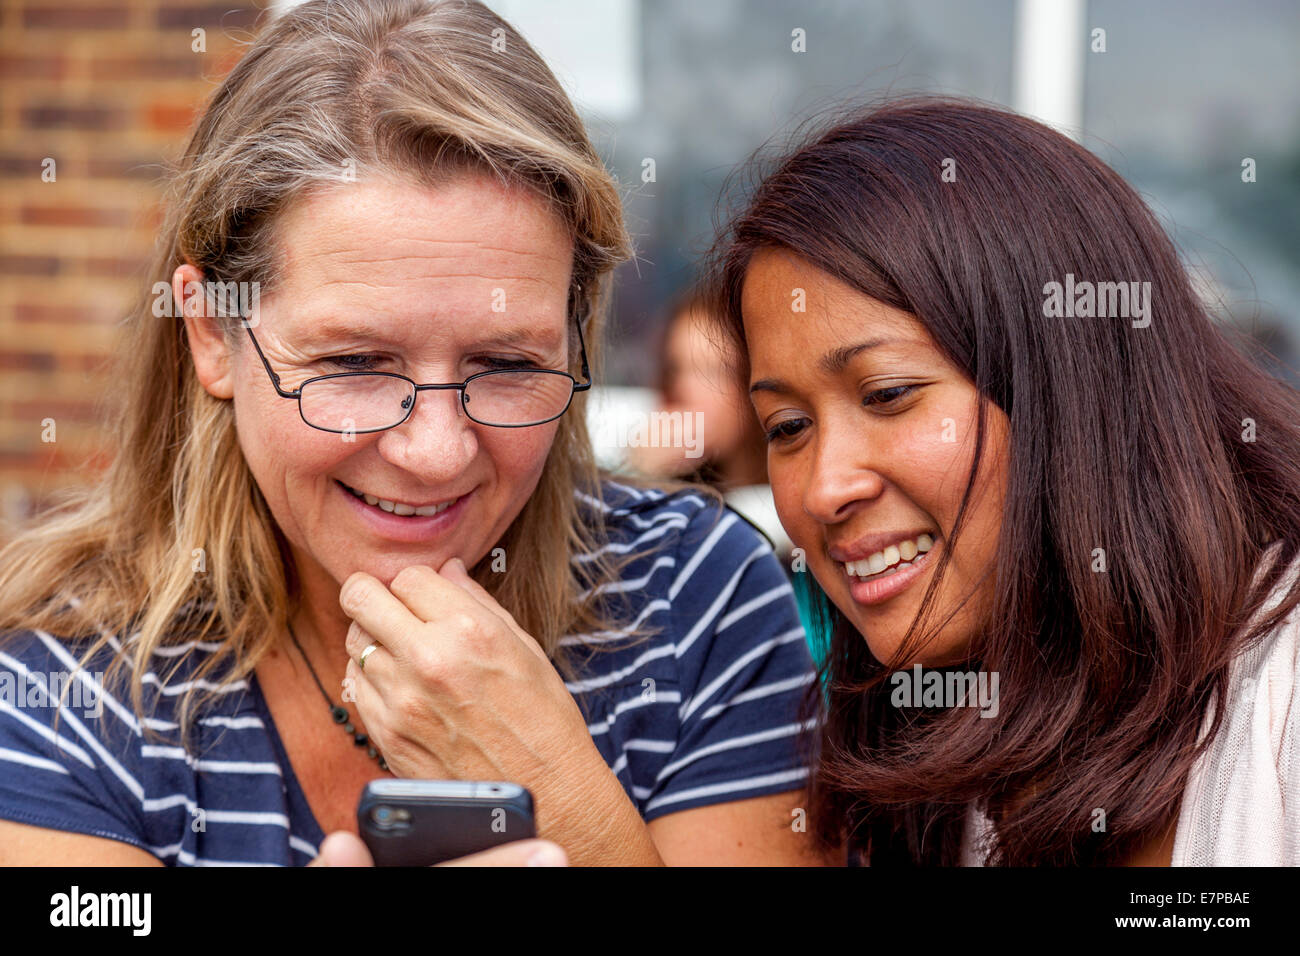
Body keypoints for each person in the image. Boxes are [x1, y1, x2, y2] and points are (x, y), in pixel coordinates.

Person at [0, 0, 827, 867]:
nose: (436, 451)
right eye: (357, 362)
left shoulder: (694, 600)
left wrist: (557, 788)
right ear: (212, 332)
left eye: (506, 365)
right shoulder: (62, 690)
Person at [706, 97, 1300, 866]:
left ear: (1073, 381)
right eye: (787, 428)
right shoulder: (925, 739)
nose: (823, 491)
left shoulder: (1280, 695)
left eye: (887, 394)